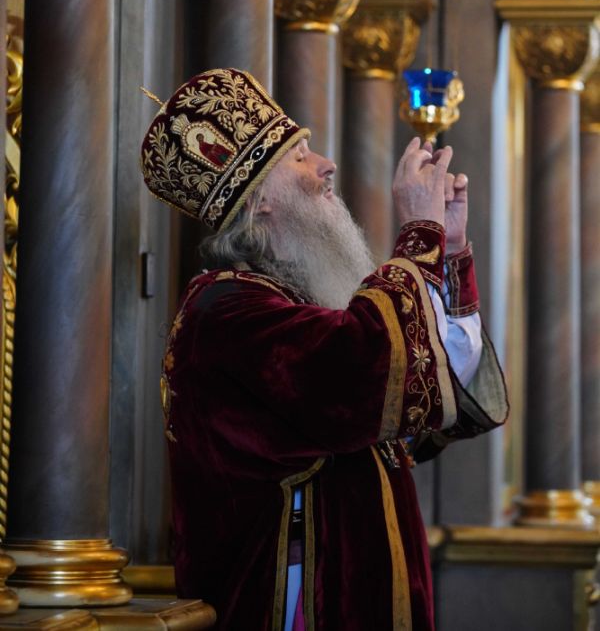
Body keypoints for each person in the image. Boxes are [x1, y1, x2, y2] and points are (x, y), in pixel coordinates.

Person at [141, 67, 508, 631]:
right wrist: (419, 232)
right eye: (299, 156)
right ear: (259, 202)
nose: (326, 164)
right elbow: (365, 373)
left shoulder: (289, 299)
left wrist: (451, 247)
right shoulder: (226, 312)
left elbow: (424, 397)